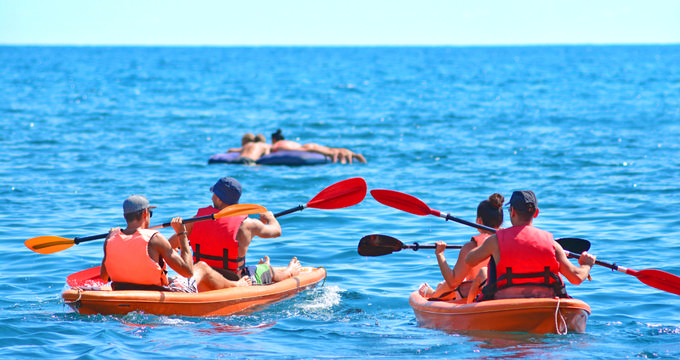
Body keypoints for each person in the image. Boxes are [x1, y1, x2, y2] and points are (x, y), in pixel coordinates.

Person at [100, 195, 251, 293]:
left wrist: (111, 236)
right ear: (145, 214)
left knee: (171, 277)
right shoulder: (155, 238)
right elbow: (187, 272)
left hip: (121, 288)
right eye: (150, 214)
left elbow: (104, 276)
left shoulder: (110, 238)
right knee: (202, 267)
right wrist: (182, 234)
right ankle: (237, 286)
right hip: (155, 293)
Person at [465, 190, 596, 301]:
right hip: (543, 303)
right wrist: (586, 265)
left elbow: (469, 260)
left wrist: (490, 242)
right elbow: (577, 278)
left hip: (504, 303)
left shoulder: (495, 241)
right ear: (536, 213)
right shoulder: (552, 244)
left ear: (512, 211)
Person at [171, 177, 301, 285]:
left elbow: (170, 245)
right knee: (268, 271)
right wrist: (270, 218)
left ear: (219, 199)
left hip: (200, 279)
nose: (211, 198)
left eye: (214, 194)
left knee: (259, 269)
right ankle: (287, 272)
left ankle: (270, 268)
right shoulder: (248, 225)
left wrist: (177, 249)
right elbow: (276, 231)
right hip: (233, 280)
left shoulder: (196, 220)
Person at [418, 193, 505, 302]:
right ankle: (437, 289)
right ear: (501, 222)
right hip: (505, 289)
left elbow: (452, 282)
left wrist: (440, 254)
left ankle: (431, 293)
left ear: (478, 221)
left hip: (477, 294)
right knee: (462, 279)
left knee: (452, 285)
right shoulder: (509, 239)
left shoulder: (471, 247)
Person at [270, 129, 367, 164]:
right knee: (330, 148)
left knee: (309, 150)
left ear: (274, 139)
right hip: (307, 144)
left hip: (303, 147)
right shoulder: (289, 141)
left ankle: (331, 155)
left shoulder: (277, 144)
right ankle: (353, 155)